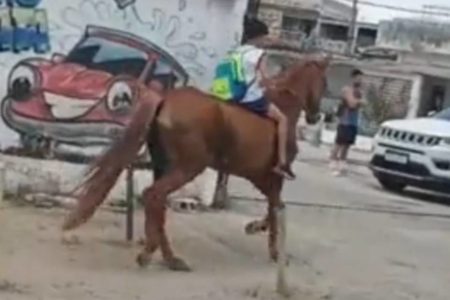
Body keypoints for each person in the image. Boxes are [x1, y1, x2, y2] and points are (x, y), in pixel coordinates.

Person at [211, 17, 295, 180]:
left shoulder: (236, 51)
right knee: (282, 119)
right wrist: (274, 84)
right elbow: (263, 79)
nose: (266, 40)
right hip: (249, 98)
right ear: (259, 37)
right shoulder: (259, 54)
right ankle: (281, 162)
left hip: (228, 95)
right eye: (265, 37)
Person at [329, 69, 364, 175]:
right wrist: (360, 101)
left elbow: (361, 102)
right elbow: (351, 104)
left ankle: (342, 164)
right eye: (358, 78)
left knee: (347, 145)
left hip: (354, 121)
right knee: (339, 143)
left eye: (361, 78)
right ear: (353, 78)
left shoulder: (359, 91)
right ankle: (333, 162)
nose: (360, 80)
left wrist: (358, 101)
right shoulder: (347, 89)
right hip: (345, 120)